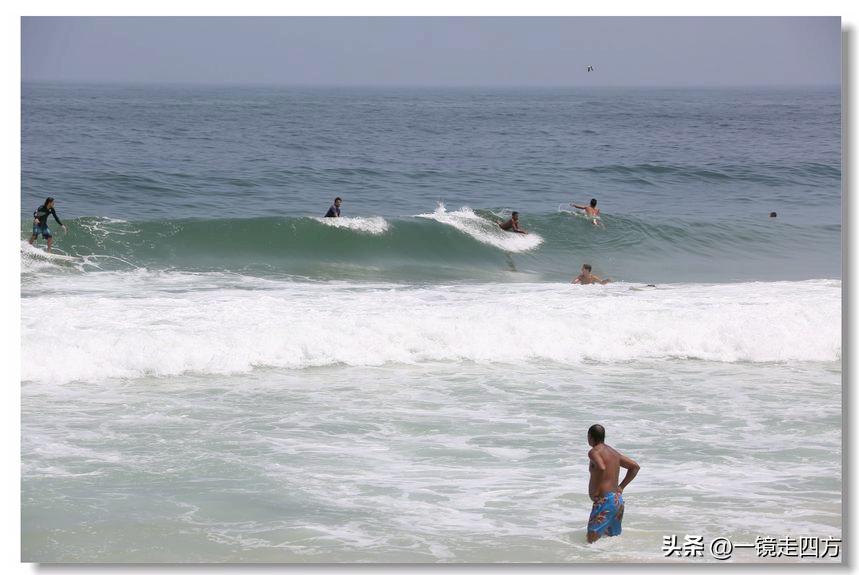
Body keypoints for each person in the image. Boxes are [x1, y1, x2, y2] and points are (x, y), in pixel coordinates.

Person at [586, 424, 640, 543]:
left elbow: (601, 467)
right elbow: (635, 467)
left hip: (604, 501)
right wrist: (621, 487)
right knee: (612, 541)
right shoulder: (614, 453)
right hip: (617, 500)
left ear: (590, 437)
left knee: (591, 541)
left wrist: (597, 490)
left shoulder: (594, 452)